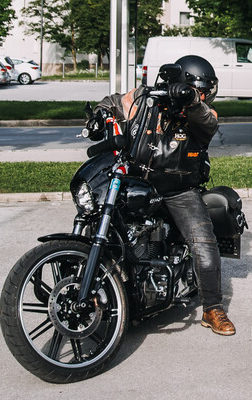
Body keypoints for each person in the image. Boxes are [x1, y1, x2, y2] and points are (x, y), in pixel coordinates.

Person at [94, 55, 236, 336]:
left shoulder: (202, 114)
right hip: (135, 181)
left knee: (204, 244)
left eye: (205, 92)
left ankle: (212, 308)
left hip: (178, 189)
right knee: (99, 217)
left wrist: (192, 101)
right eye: (199, 90)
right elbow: (114, 102)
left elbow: (208, 123)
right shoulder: (146, 100)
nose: (204, 97)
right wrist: (100, 113)